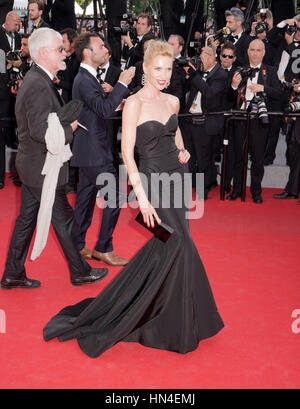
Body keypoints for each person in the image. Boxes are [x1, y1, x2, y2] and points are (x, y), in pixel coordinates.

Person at [43, 40, 224, 358]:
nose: (164, 75)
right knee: (177, 242)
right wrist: (141, 199)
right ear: (145, 68)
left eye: (168, 69)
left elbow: (175, 134)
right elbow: (127, 153)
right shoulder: (134, 103)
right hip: (151, 181)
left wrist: (183, 151)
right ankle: (161, 317)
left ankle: (171, 313)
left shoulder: (172, 101)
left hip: (177, 179)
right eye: (158, 69)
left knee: (168, 245)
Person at [0, 28, 109, 289]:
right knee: (65, 220)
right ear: (44, 52)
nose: (65, 52)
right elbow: (40, 131)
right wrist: (70, 129)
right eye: (60, 49)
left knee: (27, 220)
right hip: (42, 169)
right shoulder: (38, 83)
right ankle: (80, 271)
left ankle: (13, 273)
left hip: (34, 166)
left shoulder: (41, 79)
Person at [70, 33, 135, 266]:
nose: (104, 48)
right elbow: (104, 110)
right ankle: (103, 248)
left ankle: (76, 244)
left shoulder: (87, 78)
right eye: (99, 45)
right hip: (94, 152)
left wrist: (120, 101)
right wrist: (122, 84)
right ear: (87, 52)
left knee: (85, 200)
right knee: (115, 198)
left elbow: (98, 110)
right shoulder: (84, 80)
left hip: (90, 150)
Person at [226, 39, 282, 203]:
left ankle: (256, 192)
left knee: (257, 159)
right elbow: (228, 98)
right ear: (248, 52)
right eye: (252, 50)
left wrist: (263, 88)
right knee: (238, 157)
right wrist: (234, 86)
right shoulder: (238, 71)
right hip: (240, 119)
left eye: (259, 50)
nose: (255, 53)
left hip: (259, 121)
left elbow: (280, 94)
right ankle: (236, 190)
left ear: (264, 53)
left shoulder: (270, 72)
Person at [0, 11, 21, 190]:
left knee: (17, 126)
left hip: (17, 90)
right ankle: (0, 177)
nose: (18, 27)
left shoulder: (19, 37)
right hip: (2, 89)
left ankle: (20, 174)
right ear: (8, 21)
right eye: (16, 24)